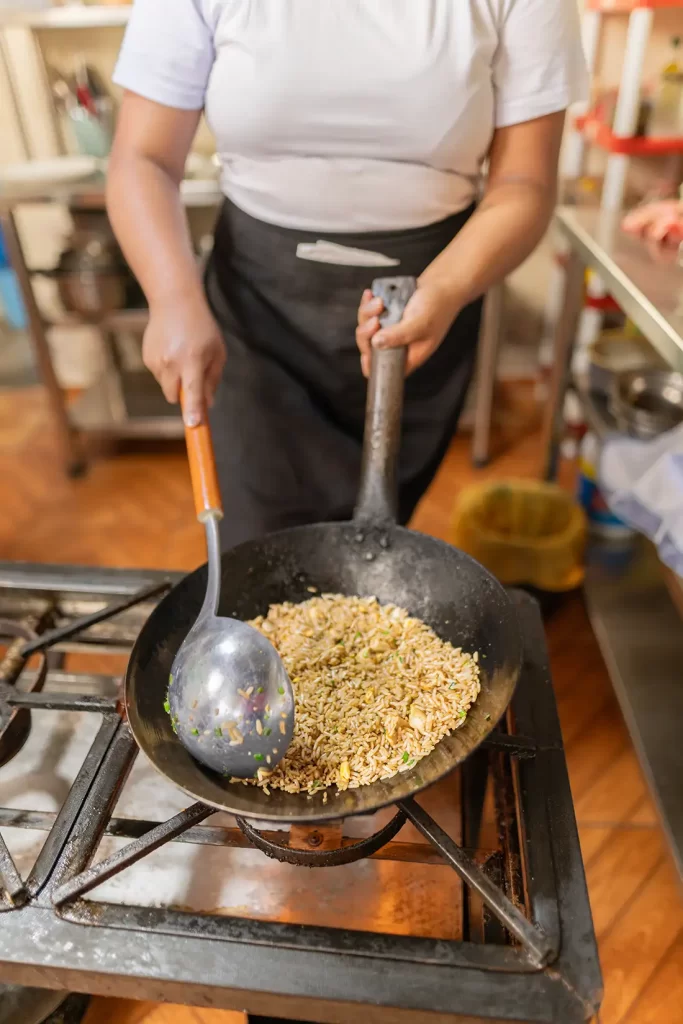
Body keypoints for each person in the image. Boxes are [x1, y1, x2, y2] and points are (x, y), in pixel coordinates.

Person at [108, 0, 587, 549]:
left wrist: (448, 287)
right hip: (255, 314)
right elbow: (143, 158)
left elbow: (524, 182)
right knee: (259, 540)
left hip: (425, 301)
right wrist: (172, 299)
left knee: (375, 539)